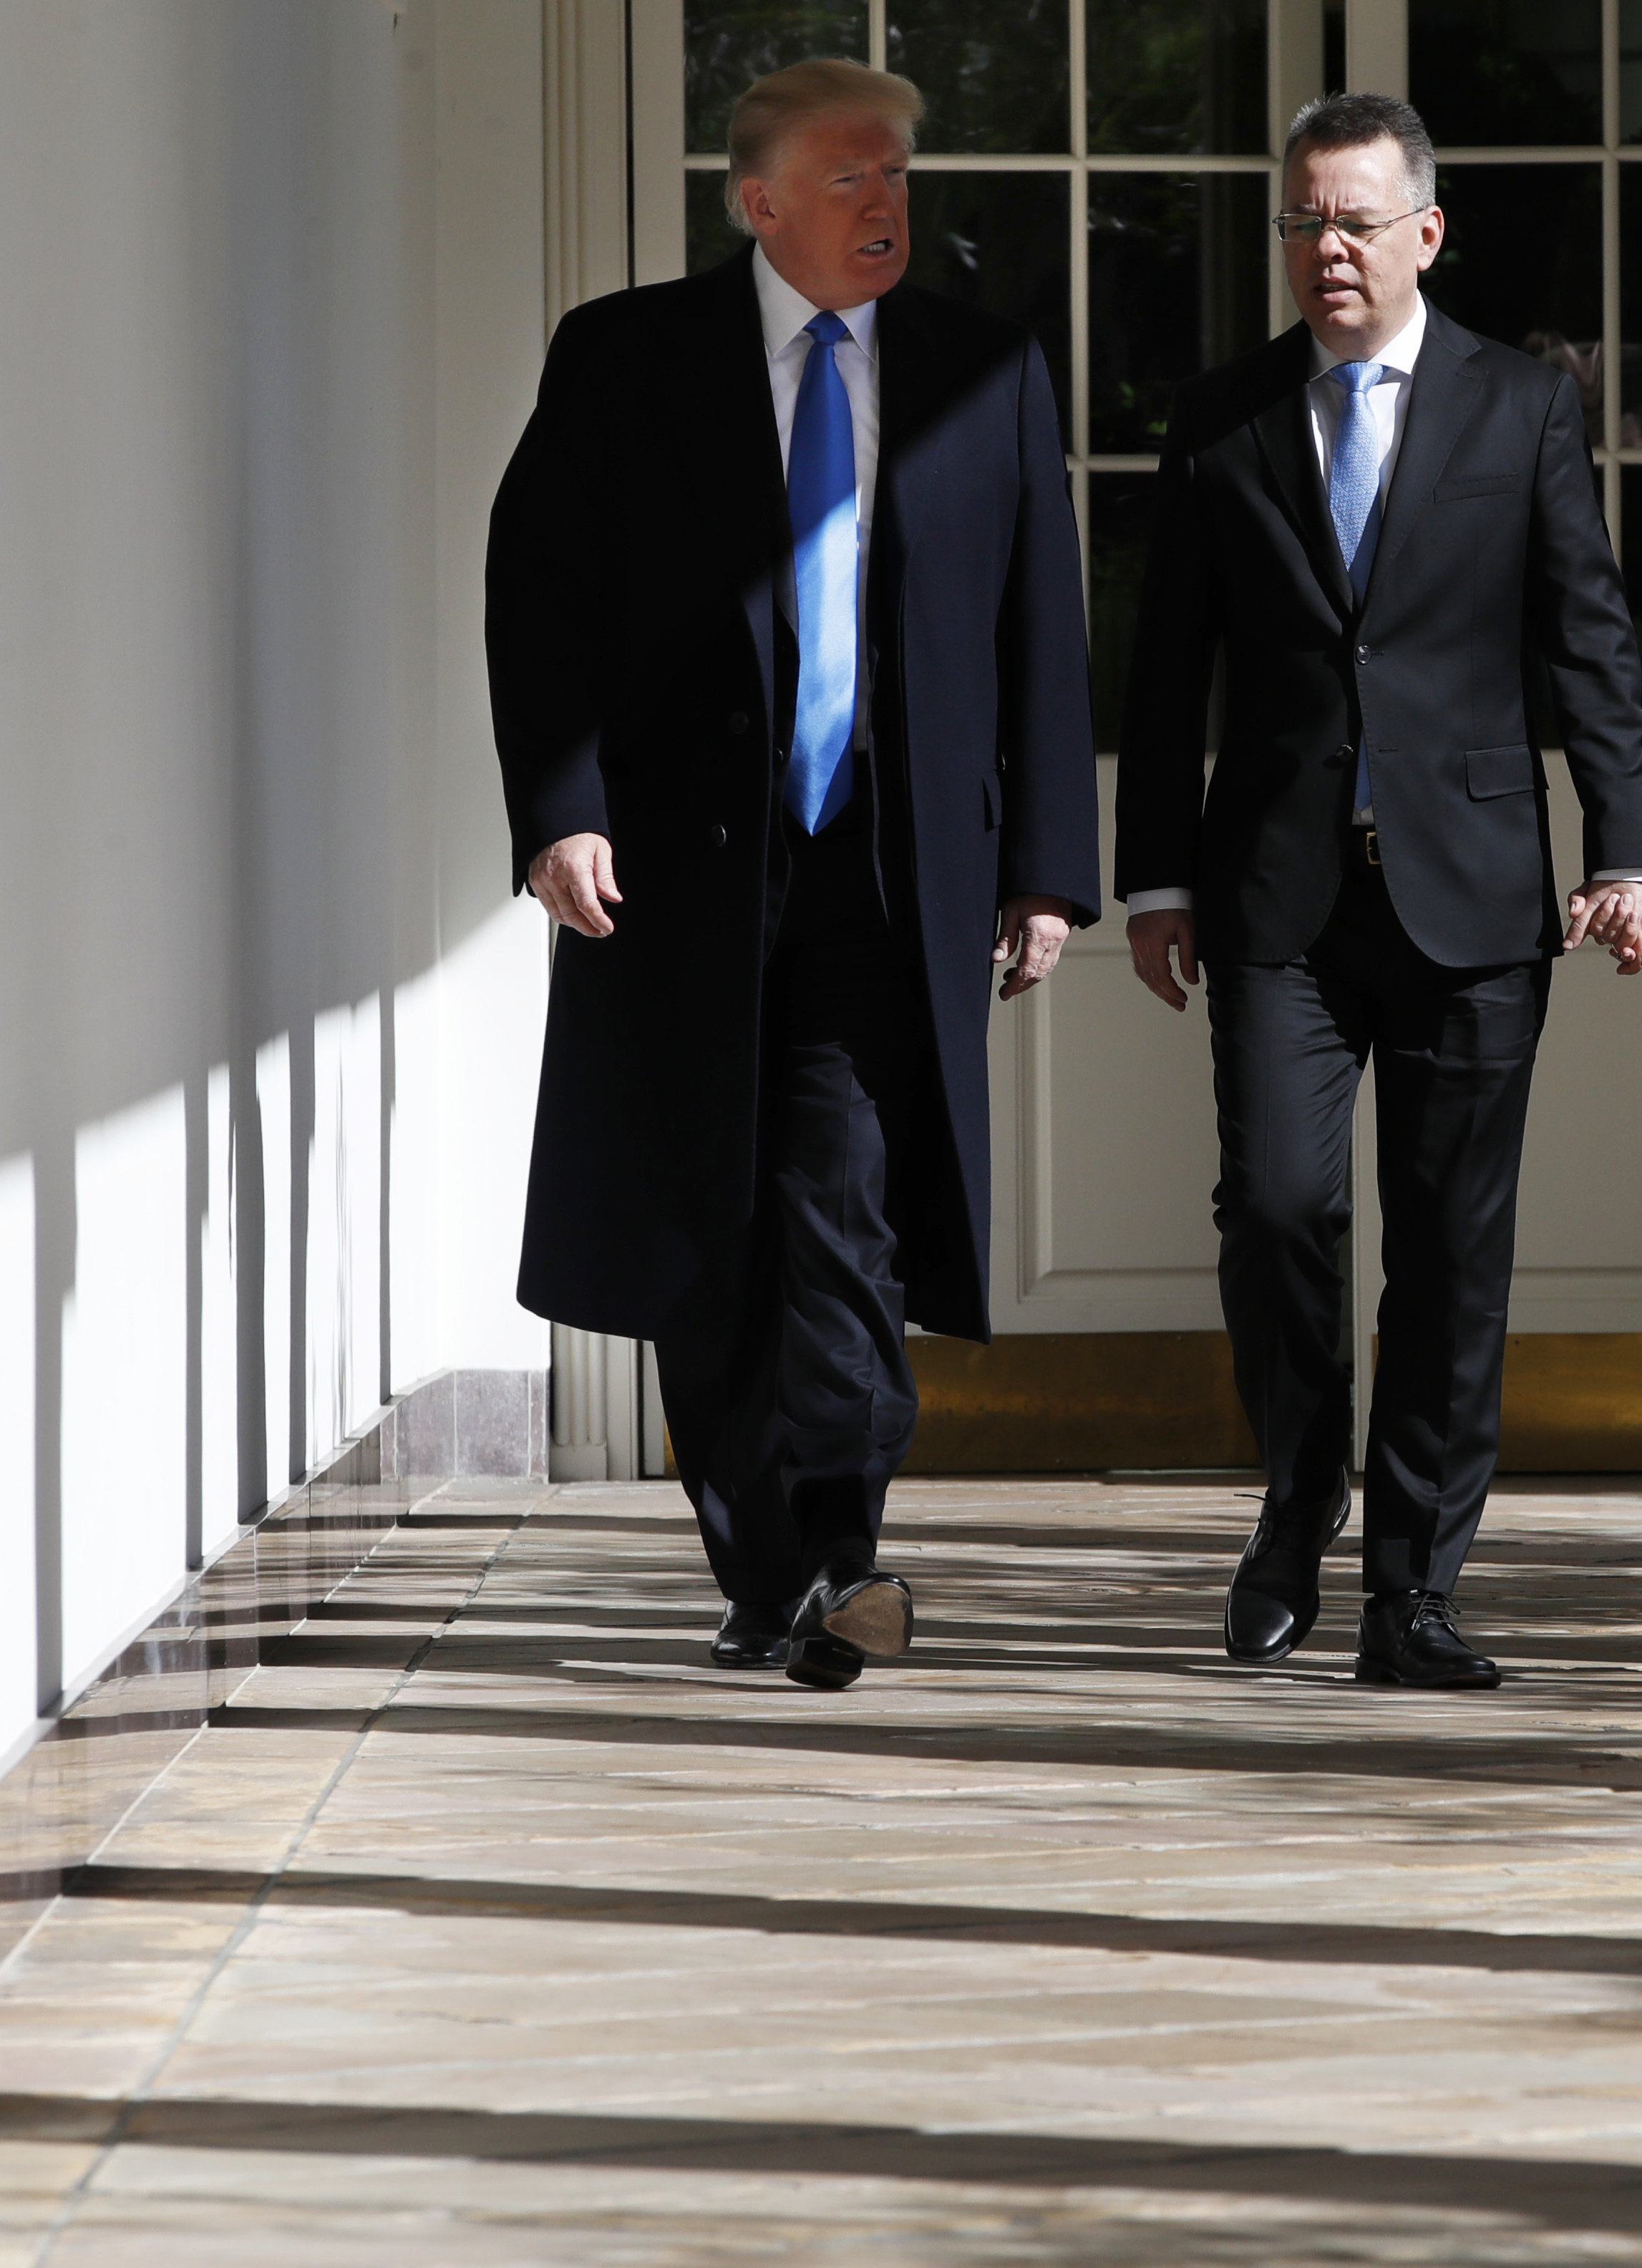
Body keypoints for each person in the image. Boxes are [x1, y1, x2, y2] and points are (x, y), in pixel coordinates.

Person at [488, 59, 1099, 1690]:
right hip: (676, 868)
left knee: (838, 1197)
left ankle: (840, 1541)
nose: (886, 203)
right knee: (710, 1215)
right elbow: (538, 598)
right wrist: (559, 808)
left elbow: (1044, 624)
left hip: (883, 870)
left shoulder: (985, 367)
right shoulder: (625, 360)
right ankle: (764, 1569)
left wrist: (1043, 866)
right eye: (849, 178)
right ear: (758, 203)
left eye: (897, 174)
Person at [1117, 92, 1642, 1690]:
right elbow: (1167, 676)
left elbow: (1591, 642)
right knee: (1280, 1208)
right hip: (1277, 895)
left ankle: (1414, 1589)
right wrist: (1151, 879)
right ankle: (1295, 1506)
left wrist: (1626, 847)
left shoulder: (1523, 409)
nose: (1326, 251)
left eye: (1356, 221)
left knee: (1446, 1245)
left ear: (1425, 233)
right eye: (1302, 224)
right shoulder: (1224, 415)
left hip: (1475, 890)